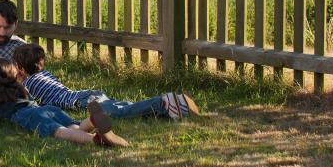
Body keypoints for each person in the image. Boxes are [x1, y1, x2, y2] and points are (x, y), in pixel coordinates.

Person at [13, 43, 200, 120]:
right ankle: (170, 107)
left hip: (83, 102)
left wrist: (19, 82)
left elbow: (29, 102)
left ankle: (163, 102)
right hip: (87, 94)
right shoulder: (46, 74)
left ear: (21, 68)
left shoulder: (29, 84)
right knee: (124, 106)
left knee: (120, 113)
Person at [0, 58, 129, 148]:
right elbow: (32, 101)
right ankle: (91, 121)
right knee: (73, 126)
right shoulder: (21, 87)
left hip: (27, 115)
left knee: (60, 131)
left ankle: (95, 140)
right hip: (46, 109)